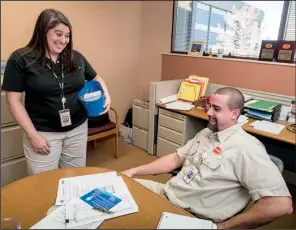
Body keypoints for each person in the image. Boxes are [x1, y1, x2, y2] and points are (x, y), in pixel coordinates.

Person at [122, 87, 293, 229]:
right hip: (167, 192)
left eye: (216, 109)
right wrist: (134, 170)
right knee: (117, 188)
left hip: (191, 215)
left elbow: (281, 205)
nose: (209, 112)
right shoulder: (207, 132)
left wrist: (222, 227)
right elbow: (176, 159)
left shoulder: (246, 148)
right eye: (209, 106)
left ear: (234, 114)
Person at [2, 9, 111, 175]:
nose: (64, 40)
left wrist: (106, 95)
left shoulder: (76, 57)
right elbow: (13, 101)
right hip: (43, 133)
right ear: (43, 31)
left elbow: (97, 78)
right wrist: (33, 136)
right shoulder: (21, 59)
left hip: (77, 130)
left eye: (67, 36)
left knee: (74, 178)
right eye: (58, 34)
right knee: (44, 185)